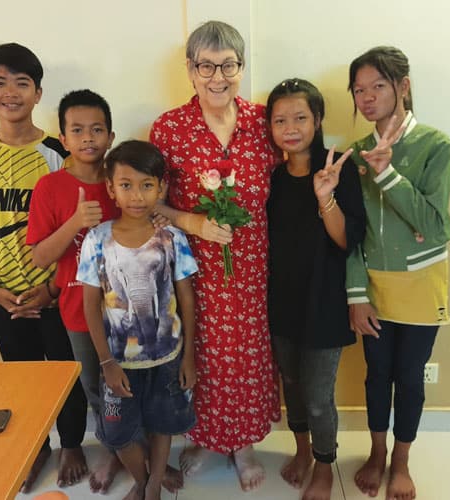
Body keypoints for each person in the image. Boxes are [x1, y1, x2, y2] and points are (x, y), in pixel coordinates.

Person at [149, 20, 280, 491]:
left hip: (252, 268)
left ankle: (242, 445)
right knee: (200, 353)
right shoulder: (169, 129)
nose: (217, 76)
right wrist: (193, 223)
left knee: (246, 356)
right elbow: (149, 201)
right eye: (206, 65)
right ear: (190, 69)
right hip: (193, 271)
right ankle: (204, 438)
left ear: (242, 68)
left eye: (228, 65)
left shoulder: (263, 123)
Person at [0, 42, 88, 492]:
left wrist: (52, 289)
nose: (10, 92)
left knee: (65, 371)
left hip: (55, 292)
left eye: (22, 83)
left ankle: (72, 442)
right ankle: (37, 447)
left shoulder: (59, 152)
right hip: (4, 296)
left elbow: (75, 231)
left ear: (38, 93)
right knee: (20, 376)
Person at [345, 46, 450, 500]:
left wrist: (388, 175)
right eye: (359, 90)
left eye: (378, 86)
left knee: (409, 377)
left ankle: (402, 460)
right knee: (376, 374)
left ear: (403, 87)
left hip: (422, 286)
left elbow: (435, 227)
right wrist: (356, 294)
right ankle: (375, 452)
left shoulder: (435, 145)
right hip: (373, 287)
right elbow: (352, 233)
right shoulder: (354, 155)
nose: (367, 97)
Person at [77, 140, 198, 500]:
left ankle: (155, 484)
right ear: (111, 188)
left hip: (167, 358)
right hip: (118, 363)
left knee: (163, 425)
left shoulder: (172, 237)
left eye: (147, 185)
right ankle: (142, 478)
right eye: (126, 185)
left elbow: (186, 296)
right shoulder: (97, 240)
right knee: (117, 432)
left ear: (161, 188)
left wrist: (188, 354)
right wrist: (106, 362)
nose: (137, 195)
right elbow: (90, 305)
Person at [266, 78, 366, 500]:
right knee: (291, 382)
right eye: (280, 120)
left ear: (318, 120)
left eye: (300, 117)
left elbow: (347, 241)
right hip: (282, 301)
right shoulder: (272, 176)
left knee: (320, 396)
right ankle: (302, 450)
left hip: (323, 303)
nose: (290, 127)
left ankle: (325, 466)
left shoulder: (337, 170)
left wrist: (325, 197)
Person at [26, 89, 122, 493]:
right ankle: (113, 450)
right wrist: (76, 221)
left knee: (132, 382)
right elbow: (38, 256)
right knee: (97, 389)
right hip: (77, 312)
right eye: (77, 130)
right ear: (62, 139)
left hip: (128, 310)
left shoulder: (123, 180)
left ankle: (134, 449)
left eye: (96, 129)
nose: (88, 138)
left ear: (111, 136)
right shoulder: (50, 187)